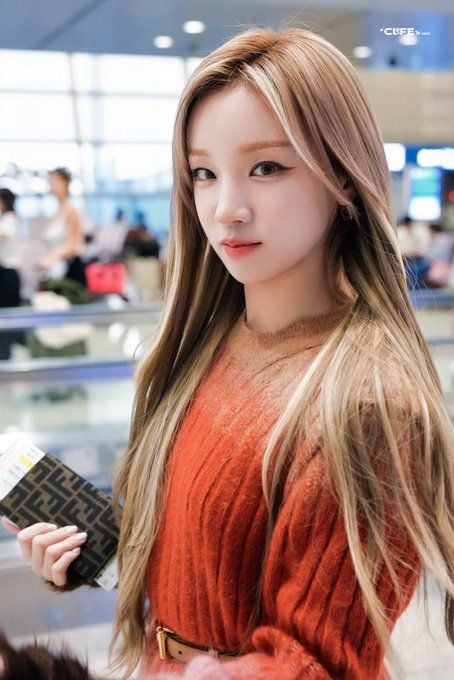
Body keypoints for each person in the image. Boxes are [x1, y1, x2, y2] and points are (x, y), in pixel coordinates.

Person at [2, 26, 454, 680]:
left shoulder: (365, 405)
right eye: (204, 174)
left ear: (344, 176)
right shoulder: (203, 346)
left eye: (266, 167)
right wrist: (92, 552)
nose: (226, 209)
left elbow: (314, 663)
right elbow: (205, 556)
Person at [39, 167, 86, 287]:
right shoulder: (57, 212)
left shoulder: (71, 211)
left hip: (69, 270)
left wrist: (51, 257)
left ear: (65, 183)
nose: (50, 183)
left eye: (54, 180)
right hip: (56, 269)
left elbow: (74, 244)